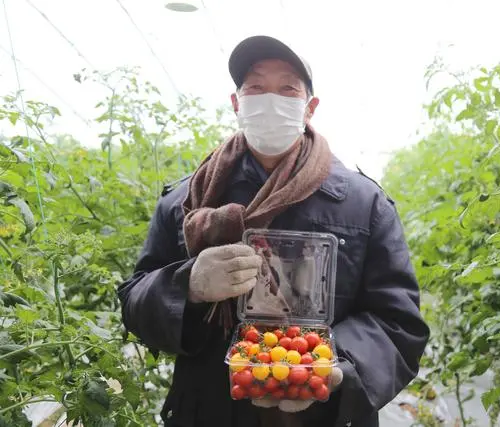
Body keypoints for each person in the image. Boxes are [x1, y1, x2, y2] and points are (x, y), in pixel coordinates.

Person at [117, 35, 430, 427]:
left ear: (308, 107)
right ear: (237, 103)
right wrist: (188, 285)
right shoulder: (188, 201)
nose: (270, 100)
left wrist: (337, 369)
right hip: (209, 410)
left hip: (321, 414)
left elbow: (397, 321)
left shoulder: (363, 205)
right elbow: (134, 302)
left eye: (287, 89)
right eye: (255, 87)